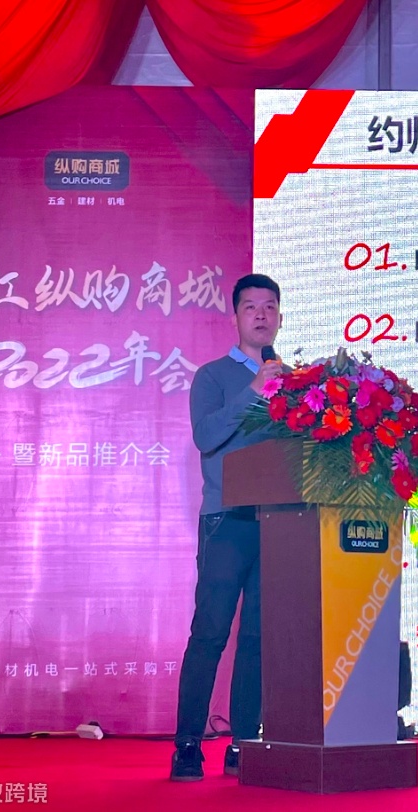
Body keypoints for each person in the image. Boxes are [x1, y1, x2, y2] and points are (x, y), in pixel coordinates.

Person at [171, 273, 284, 781]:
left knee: (258, 638)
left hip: (279, 523)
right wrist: (255, 390)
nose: (261, 315)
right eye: (251, 307)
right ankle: (187, 744)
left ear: (279, 316)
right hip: (225, 521)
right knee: (211, 632)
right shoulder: (213, 376)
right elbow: (206, 436)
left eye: (270, 307)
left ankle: (244, 741)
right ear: (236, 316)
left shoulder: (294, 382)